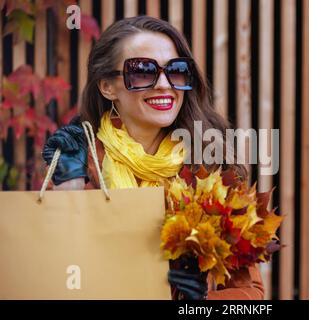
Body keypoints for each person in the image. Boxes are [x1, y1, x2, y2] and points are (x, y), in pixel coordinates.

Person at [42, 16, 264, 300]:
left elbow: (252, 296)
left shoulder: (211, 169)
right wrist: (66, 200)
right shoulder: (77, 164)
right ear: (107, 86)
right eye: (143, 71)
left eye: (176, 70)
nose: (163, 84)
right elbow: (55, 278)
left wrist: (199, 304)